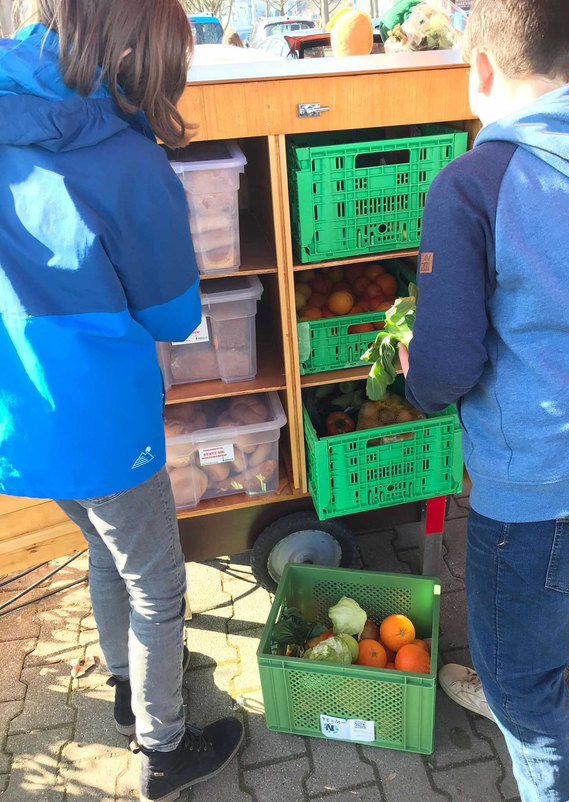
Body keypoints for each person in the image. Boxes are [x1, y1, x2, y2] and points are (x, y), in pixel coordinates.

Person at [0, 1, 243, 801]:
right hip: (99, 422)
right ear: (136, 50)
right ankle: (165, 750)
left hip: (16, 418)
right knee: (158, 582)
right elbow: (173, 314)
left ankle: (127, 684)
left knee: (107, 550)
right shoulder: (127, 162)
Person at [399, 0, 569, 799]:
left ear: (478, 69)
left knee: (526, 683)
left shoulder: (473, 183)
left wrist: (419, 378)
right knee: (533, 625)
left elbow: (447, 365)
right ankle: (509, 672)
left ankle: (515, 696)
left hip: (539, 483)